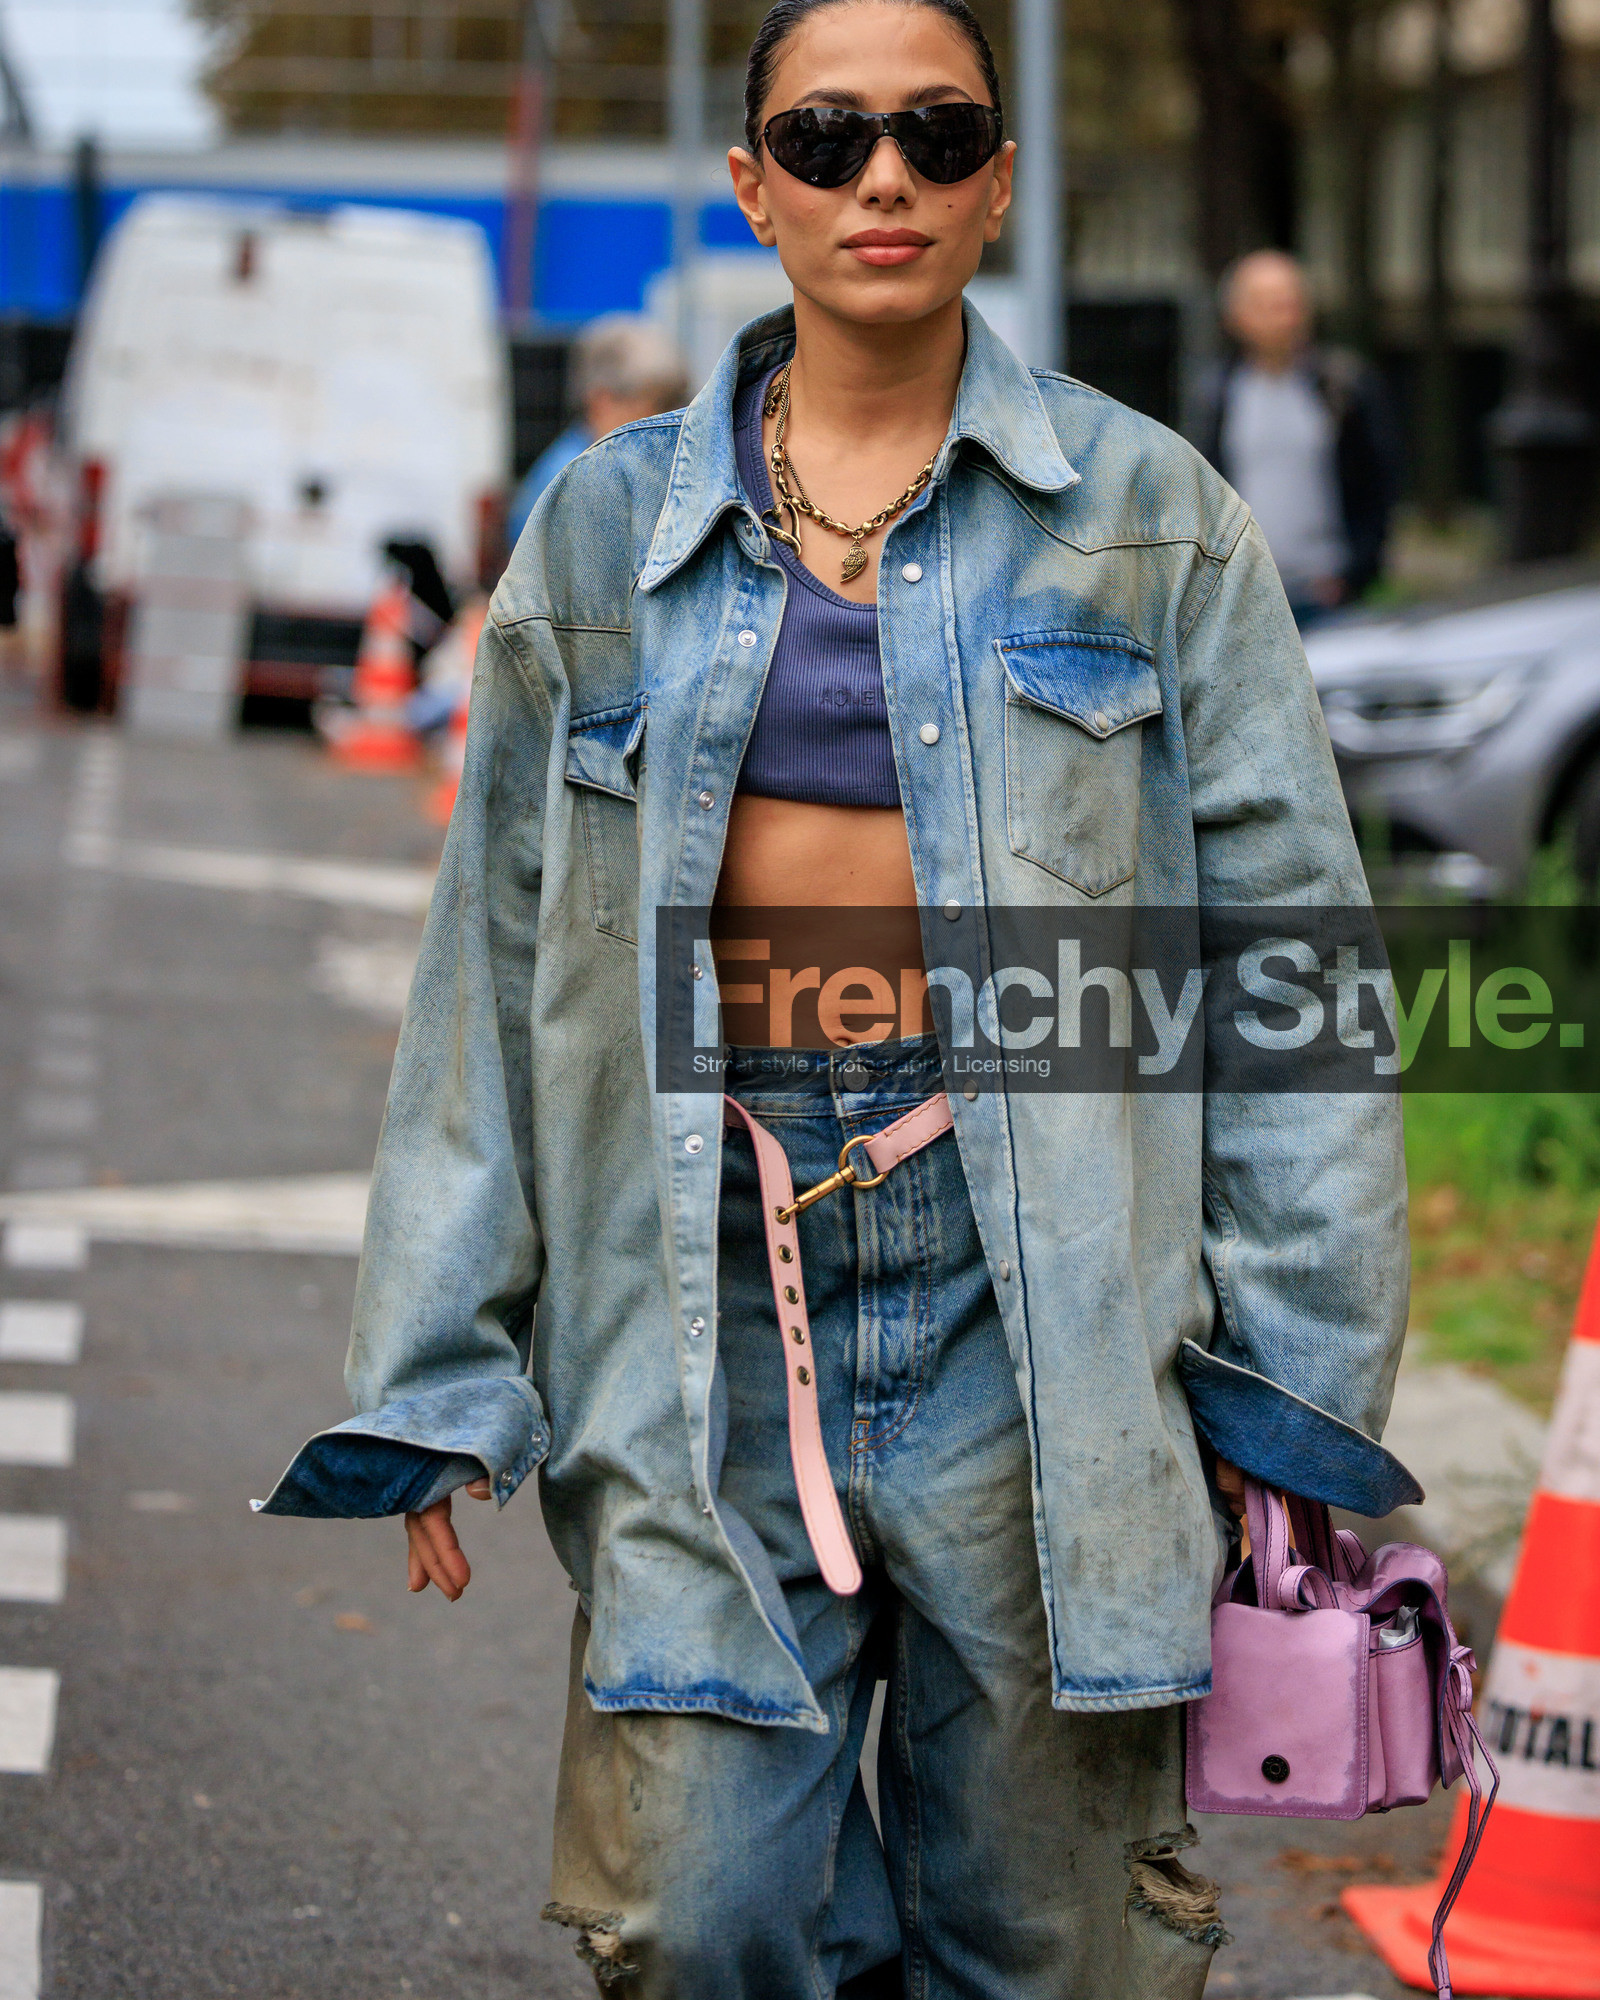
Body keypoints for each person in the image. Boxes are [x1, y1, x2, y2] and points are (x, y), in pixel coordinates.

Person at [257, 3, 1411, 1994]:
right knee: (702, 1921)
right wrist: (441, 1360)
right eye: (824, 134)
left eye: (933, 130)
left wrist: (1287, 1389)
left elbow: (1286, 964)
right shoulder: (602, 528)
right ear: (750, 184)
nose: (879, 174)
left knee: (1044, 1948)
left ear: (994, 182)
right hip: (703, 1280)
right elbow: (493, 955)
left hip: (1037, 1288)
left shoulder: (1152, 521)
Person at [1193, 248, 1399, 629]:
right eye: (1268, 304)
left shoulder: (1342, 387)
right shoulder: (1219, 395)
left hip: (1328, 596)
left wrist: (1353, 574)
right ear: (1236, 316)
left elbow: (1378, 486)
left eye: (1292, 303)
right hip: (1245, 599)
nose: (1285, 316)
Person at [505, 315, 689, 546]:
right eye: (659, 404)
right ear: (602, 402)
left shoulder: (604, 464)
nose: (671, 419)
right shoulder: (575, 481)